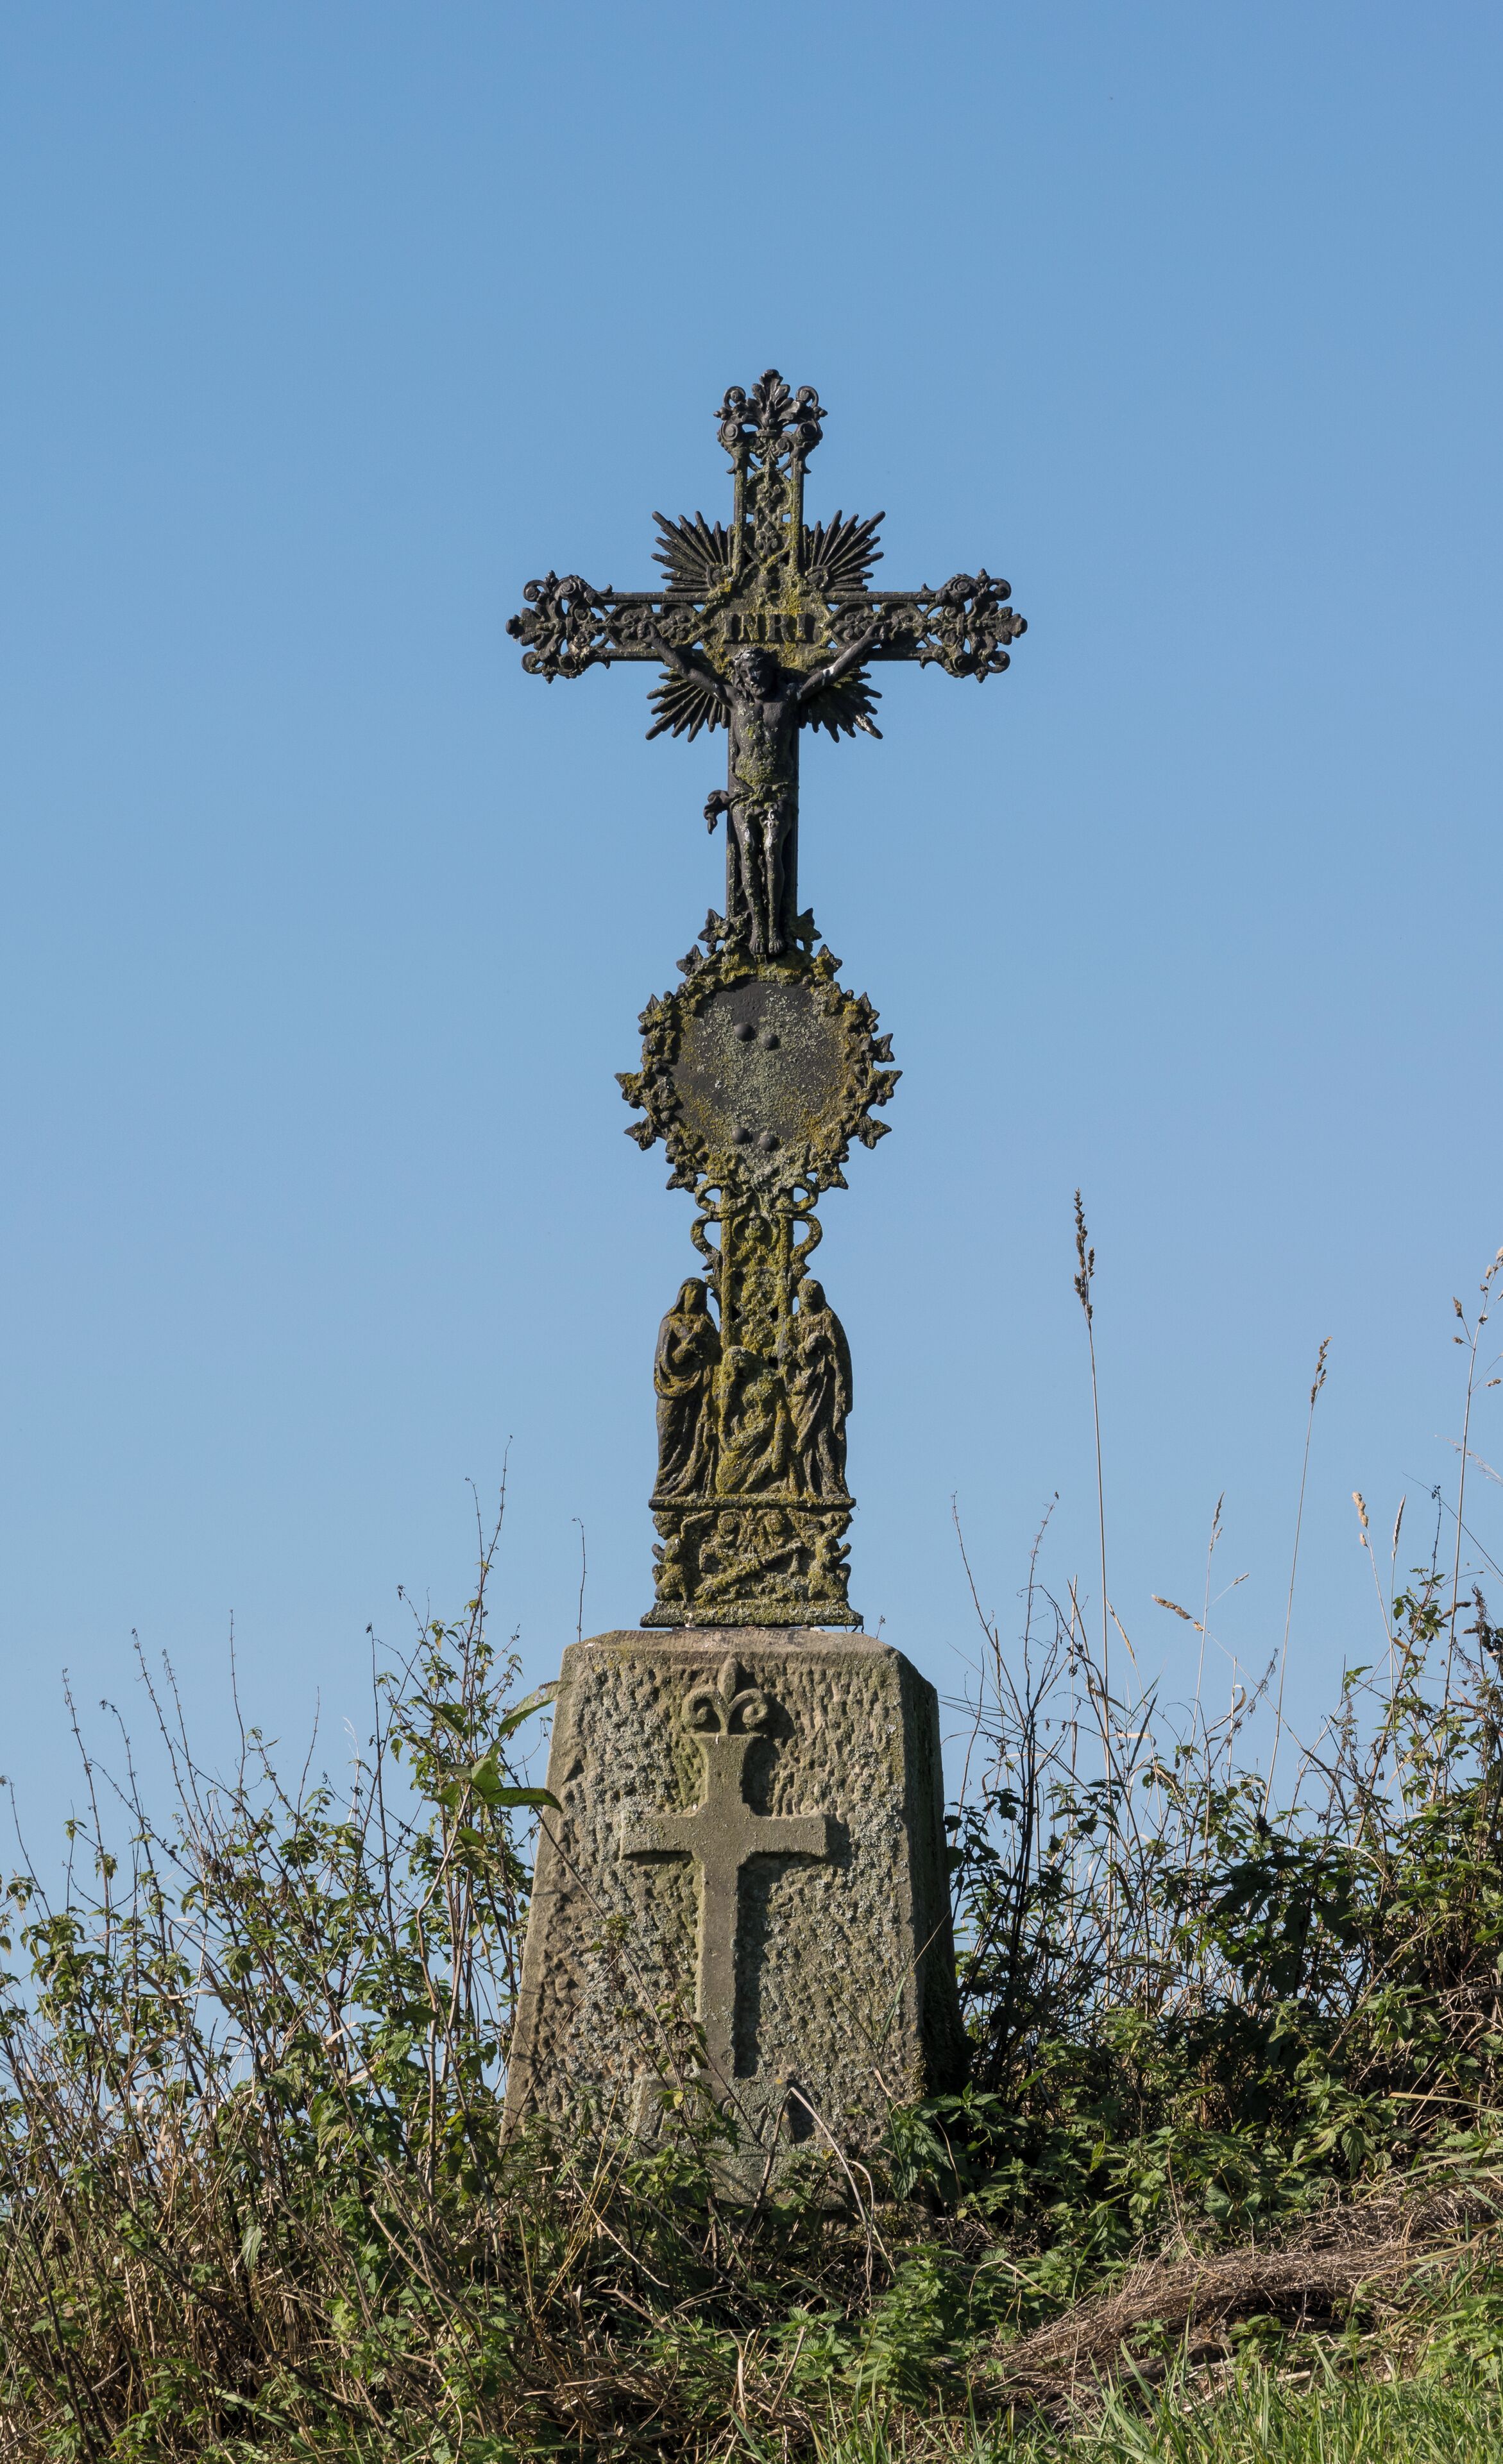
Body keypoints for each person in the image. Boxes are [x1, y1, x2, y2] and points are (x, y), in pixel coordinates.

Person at [649, 629, 884, 957]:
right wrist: (658, 642)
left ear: (771, 670)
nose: (753, 677)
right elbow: (689, 672)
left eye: (758, 670)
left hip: (778, 792)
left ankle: (774, 926)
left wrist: (865, 641)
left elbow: (831, 673)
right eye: (746, 673)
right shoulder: (732, 699)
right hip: (744, 794)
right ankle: (759, 926)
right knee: (748, 852)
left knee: (773, 851)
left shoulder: (788, 697)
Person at [785, 1277, 853, 1500]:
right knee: (799, 1440)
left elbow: (841, 1358)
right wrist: (806, 1348)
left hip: (824, 1389)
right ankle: (800, 1486)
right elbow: (783, 1356)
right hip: (801, 1391)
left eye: (813, 1296)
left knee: (824, 1436)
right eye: (806, 1296)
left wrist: (842, 1394)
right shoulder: (792, 1324)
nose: (809, 1299)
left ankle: (830, 1486)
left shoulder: (828, 1319)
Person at [652, 1279, 720, 1498]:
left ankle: (693, 1482)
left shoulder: (705, 1322)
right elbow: (670, 1362)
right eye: (692, 1293)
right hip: (672, 1390)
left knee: (695, 1438)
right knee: (669, 1439)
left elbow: (716, 1355)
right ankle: (665, 1483)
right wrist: (693, 1337)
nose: (695, 1298)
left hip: (699, 1390)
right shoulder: (671, 1323)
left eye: (699, 1294)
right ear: (682, 1295)